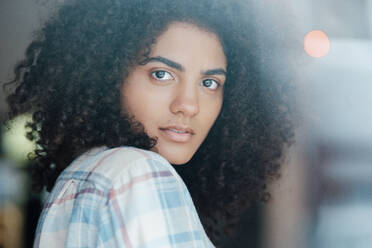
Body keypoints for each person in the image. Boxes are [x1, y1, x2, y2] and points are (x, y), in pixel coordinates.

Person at [4, 0, 295, 247]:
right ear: (109, 75)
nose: (189, 105)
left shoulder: (83, 177)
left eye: (209, 82)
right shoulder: (139, 173)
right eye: (161, 74)